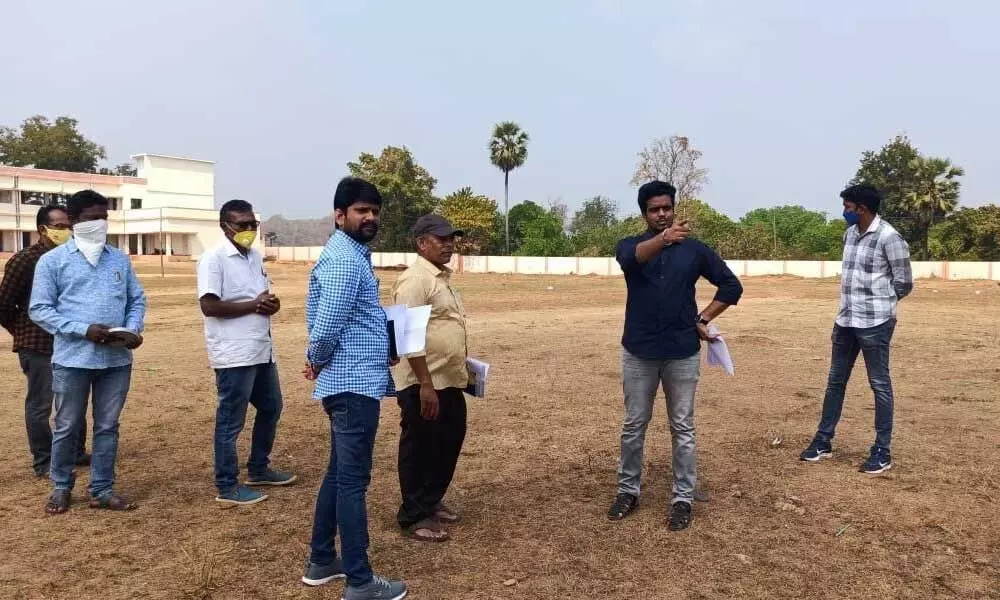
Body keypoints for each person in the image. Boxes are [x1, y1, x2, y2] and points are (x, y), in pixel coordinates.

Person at [608, 181, 743, 531]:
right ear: (644, 213)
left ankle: (683, 496)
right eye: (654, 209)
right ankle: (628, 490)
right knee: (634, 424)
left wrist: (704, 318)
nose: (662, 214)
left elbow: (731, 286)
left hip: (682, 352)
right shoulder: (630, 246)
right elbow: (630, 259)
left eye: (666, 207)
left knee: (682, 426)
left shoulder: (695, 251)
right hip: (639, 351)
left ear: (673, 208)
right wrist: (665, 239)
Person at [301, 177, 407, 600]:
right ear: (340, 215)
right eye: (362, 211)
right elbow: (328, 324)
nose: (371, 218)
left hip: (353, 379)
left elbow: (354, 318)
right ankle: (360, 582)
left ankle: (323, 559)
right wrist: (317, 358)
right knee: (352, 482)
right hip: (352, 384)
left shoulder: (349, 255)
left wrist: (385, 344)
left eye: (375, 211)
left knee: (338, 474)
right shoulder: (346, 260)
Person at [29, 189, 146, 514]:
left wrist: (133, 328)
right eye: (93, 218)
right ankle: (61, 486)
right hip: (73, 359)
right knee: (67, 424)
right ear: (75, 221)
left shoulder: (118, 259)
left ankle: (102, 489)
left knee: (108, 426)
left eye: (104, 218)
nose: (100, 224)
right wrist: (83, 330)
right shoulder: (53, 261)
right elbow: (39, 309)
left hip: (116, 360)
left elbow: (137, 299)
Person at [800, 184, 913, 474]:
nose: (844, 212)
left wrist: (882, 305)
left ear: (861, 208)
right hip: (846, 321)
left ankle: (882, 451)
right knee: (836, 381)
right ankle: (823, 441)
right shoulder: (849, 234)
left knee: (879, 384)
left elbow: (904, 282)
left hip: (875, 323)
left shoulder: (889, 237)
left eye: (848, 207)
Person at [197, 199, 295, 506]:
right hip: (234, 353)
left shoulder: (255, 257)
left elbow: (261, 297)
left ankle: (258, 468)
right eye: (243, 225)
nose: (249, 230)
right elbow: (210, 306)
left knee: (272, 407)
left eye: (253, 224)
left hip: (261, 349)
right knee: (230, 420)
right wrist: (254, 305)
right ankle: (227, 486)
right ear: (225, 226)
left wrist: (270, 305)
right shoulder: (213, 259)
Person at [390, 214, 469, 543]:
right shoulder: (414, 280)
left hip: (446, 380)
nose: (449, 244)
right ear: (422, 243)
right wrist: (424, 384)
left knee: (449, 438)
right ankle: (414, 515)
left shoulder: (440, 277)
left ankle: (430, 500)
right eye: (442, 239)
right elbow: (404, 334)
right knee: (420, 445)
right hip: (424, 383)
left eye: (452, 238)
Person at [0, 206, 90, 476]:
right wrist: (23, 332)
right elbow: (3, 305)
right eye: (60, 226)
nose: (66, 231)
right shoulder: (25, 261)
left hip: (71, 341)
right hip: (38, 345)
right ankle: (44, 461)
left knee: (75, 400)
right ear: (43, 229)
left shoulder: (74, 257)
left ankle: (74, 452)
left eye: (68, 225)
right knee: (41, 404)